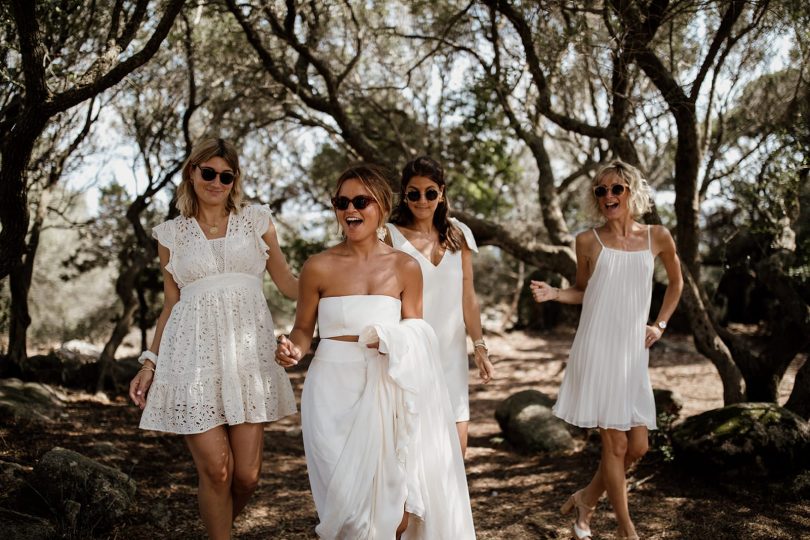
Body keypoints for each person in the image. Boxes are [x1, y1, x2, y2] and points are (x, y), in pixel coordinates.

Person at [275, 163, 475, 539]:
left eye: (361, 201)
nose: (350, 209)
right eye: (342, 201)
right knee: (348, 509)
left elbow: (417, 330)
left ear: (381, 205)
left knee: (394, 510)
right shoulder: (317, 267)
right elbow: (303, 330)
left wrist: (393, 339)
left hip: (386, 386)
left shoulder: (404, 267)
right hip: (330, 389)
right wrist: (293, 350)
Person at [128, 137, 298, 540]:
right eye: (209, 172)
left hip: (248, 360)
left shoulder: (256, 221)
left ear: (234, 179)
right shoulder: (171, 235)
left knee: (247, 476)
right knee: (216, 471)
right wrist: (149, 362)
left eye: (226, 175)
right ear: (192, 172)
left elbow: (290, 284)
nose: (217, 182)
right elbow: (171, 304)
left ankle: (219, 526)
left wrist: (346, 266)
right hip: (191, 360)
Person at [530, 160, 683, 540]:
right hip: (596, 348)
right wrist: (555, 294)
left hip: (632, 353)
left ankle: (586, 499)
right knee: (614, 445)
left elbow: (677, 284)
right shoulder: (587, 241)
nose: (609, 196)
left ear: (632, 191)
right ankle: (626, 530)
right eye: (601, 190)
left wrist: (660, 324)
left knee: (639, 447)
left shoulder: (657, 236)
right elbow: (583, 290)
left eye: (617, 189)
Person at [384, 156, 494, 456]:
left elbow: (468, 296)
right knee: (413, 455)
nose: (422, 200)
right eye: (414, 193)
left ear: (442, 193)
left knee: (456, 452)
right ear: (404, 195)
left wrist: (480, 346)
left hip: (451, 356)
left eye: (430, 192)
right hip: (409, 356)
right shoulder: (389, 237)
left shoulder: (459, 233)